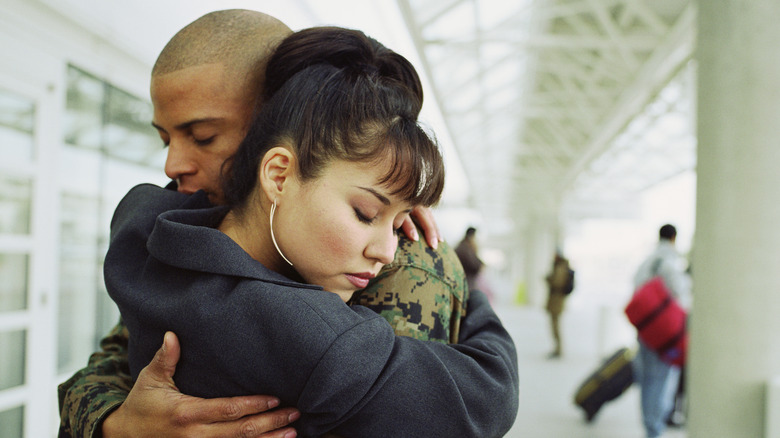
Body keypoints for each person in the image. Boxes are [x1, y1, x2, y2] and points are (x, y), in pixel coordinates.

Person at [55, 10, 502, 438]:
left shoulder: (407, 266)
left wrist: (393, 214)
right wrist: (116, 424)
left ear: (277, 121)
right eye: (165, 137)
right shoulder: (182, 229)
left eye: (203, 136)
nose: (172, 164)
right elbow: (111, 358)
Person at [631, 224, 691, 438]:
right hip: (665, 335)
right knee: (660, 381)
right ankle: (653, 430)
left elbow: (636, 292)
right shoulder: (671, 262)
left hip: (645, 331)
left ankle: (649, 425)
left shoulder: (647, 262)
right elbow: (681, 295)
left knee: (646, 380)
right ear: (674, 238)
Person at [544, 252, 571, 359]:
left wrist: (549, 279)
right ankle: (557, 348)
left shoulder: (560, 268)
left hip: (556, 301)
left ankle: (558, 349)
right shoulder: (561, 267)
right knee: (555, 325)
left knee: (556, 326)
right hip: (556, 301)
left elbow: (557, 283)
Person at [455, 226, 484, 290]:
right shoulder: (465, 249)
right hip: (465, 286)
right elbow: (476, 266)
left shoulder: (462, 246)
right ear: (472, 236)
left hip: (462, 284)